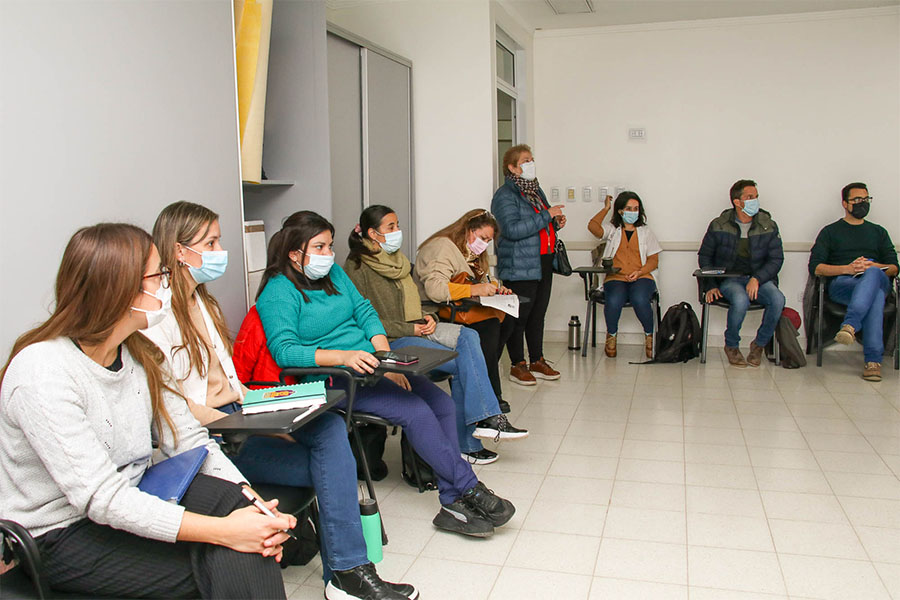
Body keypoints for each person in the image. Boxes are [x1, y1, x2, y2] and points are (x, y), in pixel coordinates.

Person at [0, 223, 291, 599]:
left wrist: (256, 511)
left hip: (138, 491)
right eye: (159, 275)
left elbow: (188, 441)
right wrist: (227, 532)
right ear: (121, 288)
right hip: (62, 532)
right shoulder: (42, 372)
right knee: (234, 555)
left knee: (238, 510)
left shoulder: (141, 353)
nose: (167, 284)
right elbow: (101, 498)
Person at [143, 201, 417, 600]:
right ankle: (347, 574)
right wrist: (252, 423)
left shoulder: (204, 301)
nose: (221, 251)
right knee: (330, 460)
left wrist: (269, 408)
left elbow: (232, 382)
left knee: (325, 424)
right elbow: (175, 411)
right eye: (212, 242)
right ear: (179, 251)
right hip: (216, 433)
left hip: (242, 409)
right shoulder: (158, 315)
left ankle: (347, 572)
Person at [255, 211, 516, 539]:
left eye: (329, 246)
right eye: (319, 247)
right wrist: (345, 357)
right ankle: (469, 488)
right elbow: (285, 352)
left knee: (443, 406)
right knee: (416, 412)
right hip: (331, 377)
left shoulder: (334, 274)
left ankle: (452, 503)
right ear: (295, 254)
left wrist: (385, 359)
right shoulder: (278, 291)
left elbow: (365, 311)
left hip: (370, 364)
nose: (328, 255)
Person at [344, 205, 528, 466]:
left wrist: (428, 316)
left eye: (398, 225)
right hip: (392, 339)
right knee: (469, 355)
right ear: (373, 234)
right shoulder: (357, 268)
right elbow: (365, 320)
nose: (398, 232)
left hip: (418, 327)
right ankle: (479, 429)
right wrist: (412, 328)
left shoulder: (396, 259)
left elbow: (413, 300)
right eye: (391, 227)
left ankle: (476, 434)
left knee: (468, 343)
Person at [415, 209, 516, 413]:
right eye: (483, 238)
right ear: (469, 230)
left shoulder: (472, 254)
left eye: (488, 240)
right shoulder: (442, 247)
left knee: (507, 320)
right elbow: (435, 290)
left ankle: (484, 385)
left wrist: (497, 287)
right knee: (488, 327)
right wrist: (474, 289)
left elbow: (482, 280)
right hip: (435, 311)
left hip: (457, 308)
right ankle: (489, 394)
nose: (484, 244)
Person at [808, 182, 898, 382]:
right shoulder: (830, 231)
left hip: (878, 281)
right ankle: (873, 362)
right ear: (845, 204)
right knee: (873, 297)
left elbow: (894, 267)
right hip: (844, 284)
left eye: (866, 199)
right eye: (857, 200)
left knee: (873, 274)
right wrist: (849, 268)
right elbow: (816, 267)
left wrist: (871, 267)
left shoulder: (878, 232)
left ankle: (850, 324)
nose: (862, 203)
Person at [492, 144, 565, 385]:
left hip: (542, 259)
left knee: (538, 314)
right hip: (519, 265)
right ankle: (517, 364)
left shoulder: (534, 190)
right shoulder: (504, 195)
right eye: (525, 160)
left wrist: (554, 222)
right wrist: (546, 215)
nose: (530, 163)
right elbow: (511, 230)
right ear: (512, 167)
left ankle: (537, 359)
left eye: (532, 159)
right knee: (518, 317)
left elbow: (538, 224)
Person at [698, 179, 785, 367]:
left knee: (778, 299)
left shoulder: (767, 225)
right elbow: (705, 257)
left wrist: (757, 278)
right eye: (750, 197)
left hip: (759, 279)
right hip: (730, 279)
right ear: (737, 202)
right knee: (740, 299)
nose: (755, 201)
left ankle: (759, 345)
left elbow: (776, 259)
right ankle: (731, 345)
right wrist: (711, 285)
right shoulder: (719, 225)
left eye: (756, 197)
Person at [588, 191, 662, 358]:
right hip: (616, 277)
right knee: (614, 300)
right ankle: (611, 336)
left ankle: (650, 336)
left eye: (636, 208)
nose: (633, 212)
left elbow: (653, 260)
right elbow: (593, 227)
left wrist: (640, 272)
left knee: (639, 299)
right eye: (629, 208)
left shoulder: (646, 232)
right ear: (621, 211)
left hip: (642, 276)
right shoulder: (613, 230)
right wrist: (606, 208)